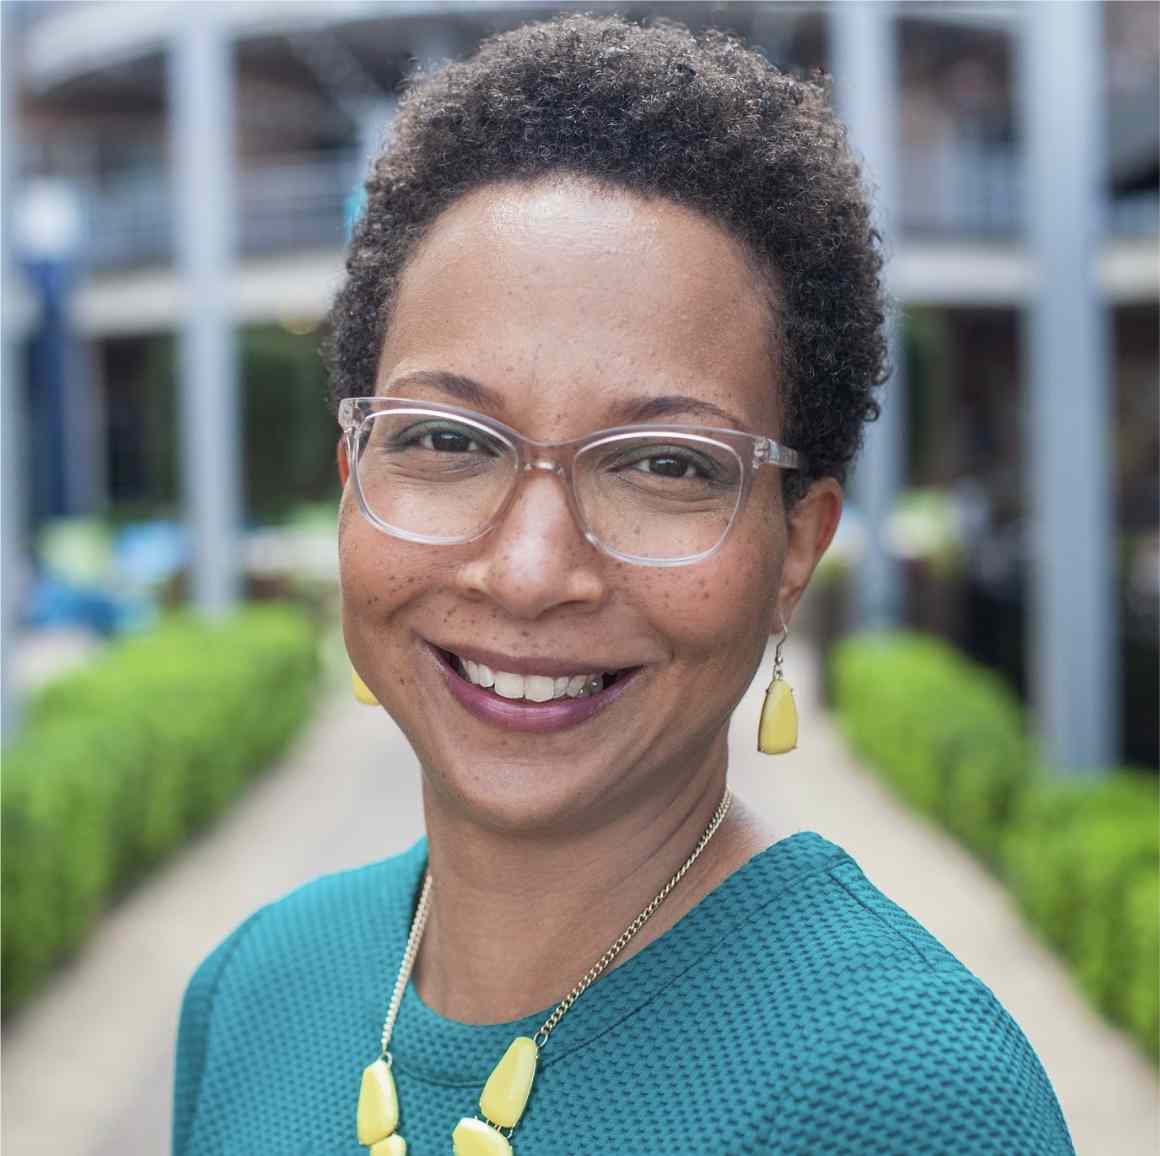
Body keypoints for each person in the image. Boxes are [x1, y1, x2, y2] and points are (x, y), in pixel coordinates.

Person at [172, 14, 1075, 1156]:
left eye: (664, 464)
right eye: (448, 441)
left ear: (795, 544)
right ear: (354, 480)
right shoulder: (253, 993)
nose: (530, 569)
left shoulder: (907, 1096)